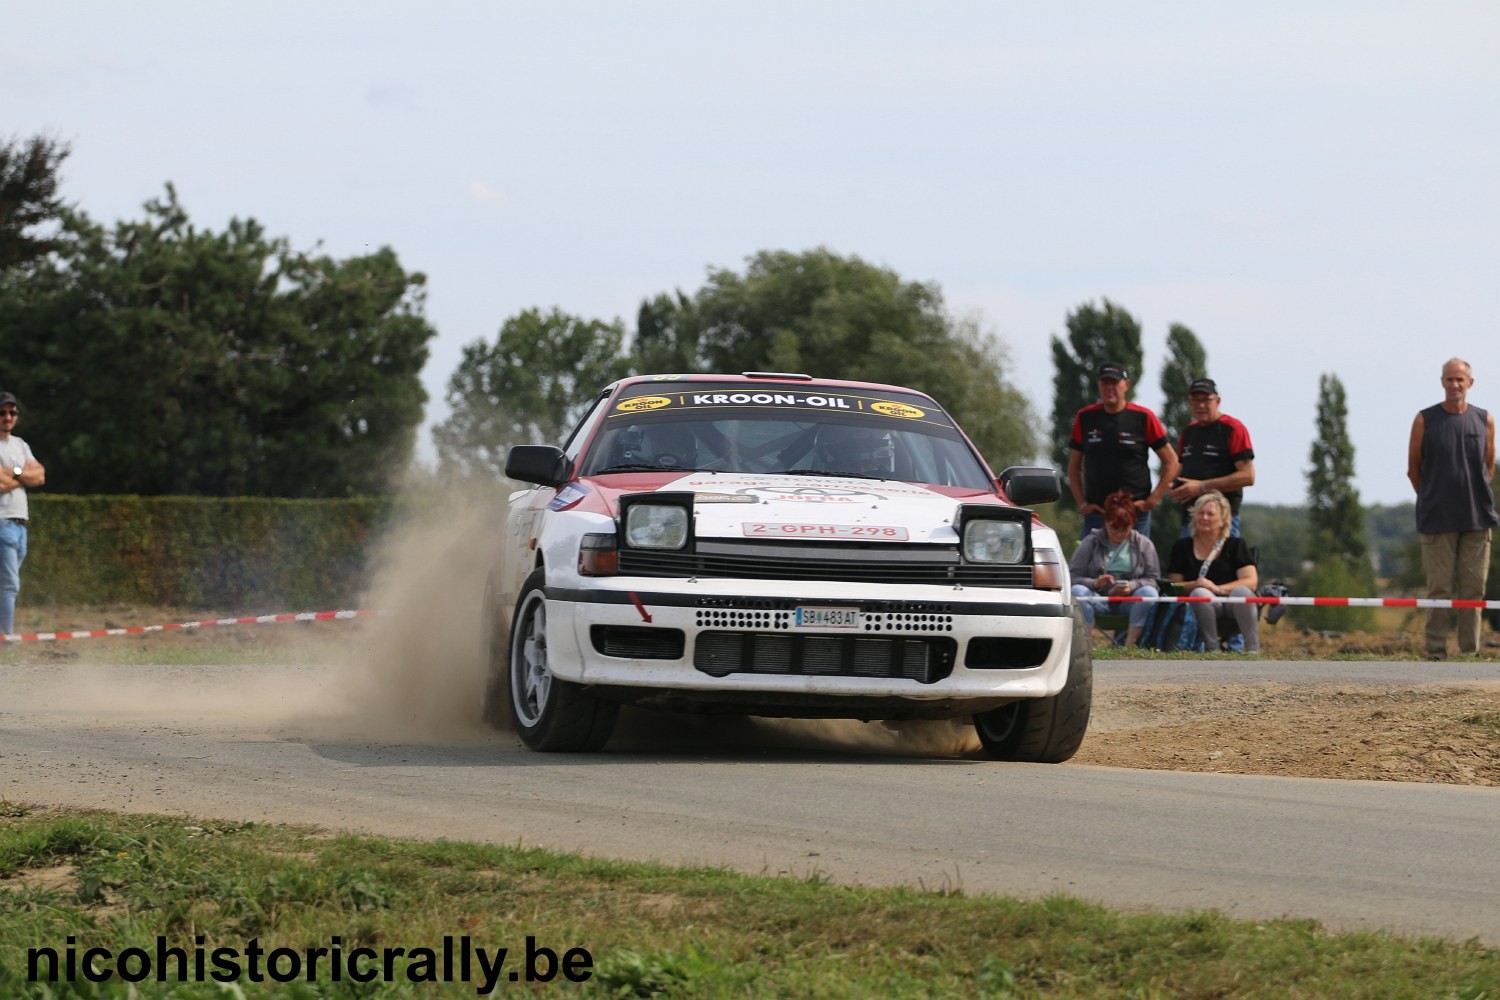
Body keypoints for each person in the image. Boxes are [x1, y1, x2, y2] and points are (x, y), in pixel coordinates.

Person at [1406, 357, 1498, 660]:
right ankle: (1436, 652)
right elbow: (1413, 469)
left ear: (1470, 383)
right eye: (1449, 379)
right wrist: (1433, 497)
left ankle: (1469, 652)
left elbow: (1487, 467)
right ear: (1442, 382)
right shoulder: (1425, 419)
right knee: (1439, 590)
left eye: (1460, 380)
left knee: (1473, 589)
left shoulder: (1484, 419)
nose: (1454, 385)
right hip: (1437, 519)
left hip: (1477, 517)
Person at [1068, 362, 1179, 536]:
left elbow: (1171, 461)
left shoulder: (1143, 417)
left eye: (1115, 383)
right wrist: (1082, 504)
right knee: (1090, 563)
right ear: (1098, 385)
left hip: (1135, 513)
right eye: (1105, 383)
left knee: (1135, 563)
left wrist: (1153, 499)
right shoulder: (1085, 417)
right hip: (1098, 514)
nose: (1109, 388)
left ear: (1126, 385)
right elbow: (1074, 466)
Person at [1166, 489, 1259, 653]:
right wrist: (1195, 585)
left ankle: (1252, 649)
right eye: (1200, 513)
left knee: (1242, 592)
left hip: (1232, 602)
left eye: (1210, 514)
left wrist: (1218, 589)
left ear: (1223, 520)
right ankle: (1212, 648)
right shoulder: (1182, 547)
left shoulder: (1236, 545)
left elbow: (1251, 581)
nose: (1204, 518)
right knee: (1200, 594)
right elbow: (1174, 585)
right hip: (1202, 604)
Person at [1069, 489, 1161, 646]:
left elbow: (1154, 580)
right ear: (1105, 522)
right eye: (1113, 527)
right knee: (1078, 591)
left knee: (1149, 593)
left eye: (1124, 528)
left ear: (1132, 524)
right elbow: (1072, 577)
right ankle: (1087, 645)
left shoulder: (1144, 544)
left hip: (1129, 601)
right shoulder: (1091, 541)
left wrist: (1132, 586)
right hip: (1099, 599)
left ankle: (1130, 645)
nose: (1118, 533)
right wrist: (1095, 583)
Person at [1167, 378, 1256, 537]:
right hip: (1191, 518)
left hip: (1222, 519)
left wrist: (1202, 486)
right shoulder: (1189, 432)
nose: (1200, 406)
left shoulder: (1233, 428)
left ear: (1217, 401)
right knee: (1187, 562)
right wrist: (1174, 485)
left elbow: (1248, 476)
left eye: (1206, 400)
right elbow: (1182, 467)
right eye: (1195, 400)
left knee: (1221, 562)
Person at [0, 391, 45, 638]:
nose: (8, 417)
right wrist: (23, 476)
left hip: (20, 523)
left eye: (12, 412)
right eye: (2, 412)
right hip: (2, 522)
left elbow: (40, 476)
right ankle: (6, 638)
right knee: (9, 585)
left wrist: (12, 473)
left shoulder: (20, 444)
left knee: (5, 584)